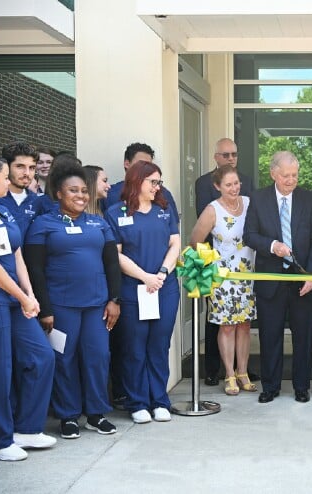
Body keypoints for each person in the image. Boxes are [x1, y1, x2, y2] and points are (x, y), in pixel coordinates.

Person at [25, 162, 121, 439]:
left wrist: (115, 299)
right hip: (61, 307)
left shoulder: (98, 222)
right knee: (64, 358)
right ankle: (68, 415)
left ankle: (95, 414)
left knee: (98, 357)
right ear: (58, 194)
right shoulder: (43, 224)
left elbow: (112, 265)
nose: (80, 195)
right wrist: (45, 307)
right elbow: (35, 269)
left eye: (83, 191)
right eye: (72, 191)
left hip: (96, 305)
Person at [0, 152, 56, 461]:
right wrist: (22, 297)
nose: (11, 180)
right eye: (5, 176)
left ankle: (28, 428)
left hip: (16, 298)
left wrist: (29, 296)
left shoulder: (3, 210)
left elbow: (16, 255)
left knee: (41, 356)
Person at [104, 160, 180, 424]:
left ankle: (159, 400)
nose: (158, 188)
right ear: (137, 182)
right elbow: (116, 255)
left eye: (159, 182)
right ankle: (137, 402)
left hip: (164, 287)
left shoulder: (164, 209)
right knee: (134, 346)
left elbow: (175, 244)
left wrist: (161, 273)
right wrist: (145, 277)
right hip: (134, 288)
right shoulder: (116, 213)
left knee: (159, 344)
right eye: (153, 182)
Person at [244, 151, 312, 404]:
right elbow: (250, 235)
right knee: (270, 335)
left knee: (304, 335)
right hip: (271, 279)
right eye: (286, 175)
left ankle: (302, 386)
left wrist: (311, 276)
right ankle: (271, 386)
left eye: (295, 175)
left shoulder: (310, 199)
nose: (291, 180)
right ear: (273, 174)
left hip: (302, 279)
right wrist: (272, 245)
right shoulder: (258, 198)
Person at [189, 166, 257, 396]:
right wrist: (209, 271)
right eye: (228, 185)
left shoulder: (249, 203)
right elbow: (195, 242)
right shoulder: (212, 210)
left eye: (236, 183)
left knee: (245, 325)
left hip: (248, 275)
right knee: (227, 326)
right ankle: (228, 374)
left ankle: (243, 372)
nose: (234, 188)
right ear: (217, 187)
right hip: (223, 278)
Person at [0, 142, 41, 239]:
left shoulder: (38, 202)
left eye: (32, 168)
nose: (27, 173)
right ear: (6, 167)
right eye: (20, 166)